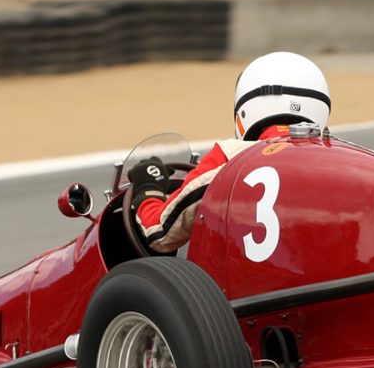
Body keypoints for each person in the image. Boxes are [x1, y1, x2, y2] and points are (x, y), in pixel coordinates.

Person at [131, 52, 331, 254]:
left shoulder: (231, 155)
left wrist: (149, 189)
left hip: (250, 283)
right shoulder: (339, 158)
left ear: (246, 109)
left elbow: (159, 233)